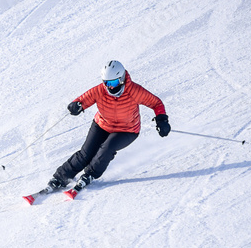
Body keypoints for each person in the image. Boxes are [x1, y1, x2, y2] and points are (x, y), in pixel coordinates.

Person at [47, 60, 171, 192]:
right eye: (107, 83)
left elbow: (156, 103)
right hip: (102, 125)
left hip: (126, 131)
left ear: (122, 79)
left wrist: (162, 119)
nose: (110, 87)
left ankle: (90, 174)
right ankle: (60, 178)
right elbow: (83, 99)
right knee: (85, 154)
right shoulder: (100, 90)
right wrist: (76, 105)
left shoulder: (135, 91)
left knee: (106, 149)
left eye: (114, 83)